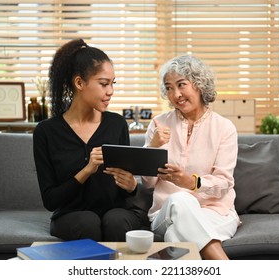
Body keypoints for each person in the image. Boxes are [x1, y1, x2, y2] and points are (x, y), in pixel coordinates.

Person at [33, 38, 148, 242]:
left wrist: (132, 186)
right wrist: (86, 170)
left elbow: (125, 190)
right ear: (79, 83)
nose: (110, 91)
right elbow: (50, 201)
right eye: (104, 84)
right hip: (71, 216)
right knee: (87, 222)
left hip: (116, 212)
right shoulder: (46, 132)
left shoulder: (117, 124)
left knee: (116, 221)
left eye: (113, 83)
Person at [142, 55, 240, 260]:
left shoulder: (224, 128)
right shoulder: (158, 124)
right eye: (169, 88)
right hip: (166, 213)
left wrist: (192, 182)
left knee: (175, 236)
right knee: (180, 199)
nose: (175, 94)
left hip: (215, 212)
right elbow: (148, 183)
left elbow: (224, 183)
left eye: (181, 85)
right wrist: (153, 147)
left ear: (199, 84)